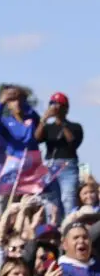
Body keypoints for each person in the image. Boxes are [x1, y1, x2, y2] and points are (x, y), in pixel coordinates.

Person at [35, 93, 84, 223]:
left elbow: (73, 142)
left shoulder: (75, 127)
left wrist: (61, 122)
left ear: (66, 108)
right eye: (52, 104)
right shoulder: (48, 127)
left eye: (58, 104)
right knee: (51, 201)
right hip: (50, 165)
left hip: (68, 166)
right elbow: (36, 139)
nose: (54, 107)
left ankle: (70, 227)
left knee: (68, 198)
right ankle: (53, 229)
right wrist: (43, 119)